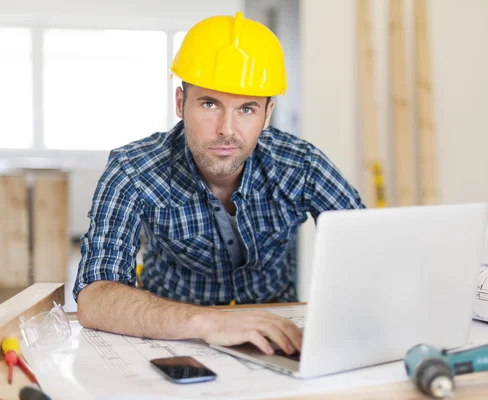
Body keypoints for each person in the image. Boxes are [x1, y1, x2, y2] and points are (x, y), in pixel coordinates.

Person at [74, 12, 364, 357]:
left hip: (276, 342)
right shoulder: (134, 169)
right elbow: (94, 296)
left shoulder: (301, 164)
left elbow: (370, 253)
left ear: (268, 113)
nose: (227, 129)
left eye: (246, 109)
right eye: (210, 104)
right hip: (174, 340)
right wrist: (206, 323)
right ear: (181, 103)